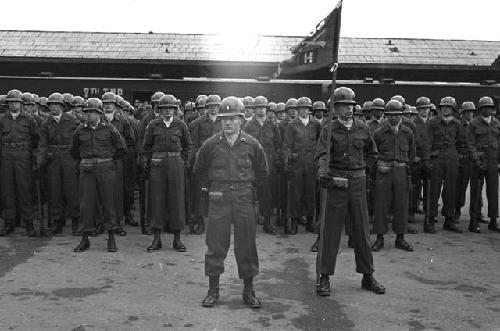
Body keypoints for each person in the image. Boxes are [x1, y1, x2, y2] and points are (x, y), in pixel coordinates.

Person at [193, 96, 268, 309]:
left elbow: (263, 172)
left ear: (241, 120)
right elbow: (198, 171)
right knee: (215, 244)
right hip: (219, 197)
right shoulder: (210, 145)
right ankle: (213, 290)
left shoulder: (252, 144)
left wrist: (249, 190)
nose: (227, 123)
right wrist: (211, 189)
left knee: (246, 245)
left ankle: (249, 291)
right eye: (225, 118)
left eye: (233, 118)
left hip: (244, 198)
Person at [315, 87, 385, 296]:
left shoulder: (363, 128)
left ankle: (368, 275)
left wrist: (361, 169)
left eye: (351, 105)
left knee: (362, 231)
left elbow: (372, 154)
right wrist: (324, 172)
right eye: (344, 105)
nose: (348, 109)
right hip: (336, 183)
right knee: (330, 232)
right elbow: (321, 155)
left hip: (357, 184)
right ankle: (324, 277)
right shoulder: (328, 129)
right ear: (335, 108)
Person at [70, 98, 127, 253]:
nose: (89, 115)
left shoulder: (110, 129)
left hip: (105, 169)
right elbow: (74, 151)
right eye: (87, 112)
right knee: (86, 204)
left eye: (93, 112)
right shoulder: (80, 130)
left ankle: (111, 238)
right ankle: (85, 239)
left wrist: (106, 160)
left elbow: (121, 149)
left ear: (100, 114)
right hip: (87, 169)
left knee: (109, 203)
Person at [143, 94, 192, 252]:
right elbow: (146, 147)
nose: (167, 111)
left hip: (175, 164)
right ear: (160, 110)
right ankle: (156, 239)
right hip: (157, 165)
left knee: (177, 200)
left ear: (175, 110)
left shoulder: (181, 125)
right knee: (157, 200)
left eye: (170, 108)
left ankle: (177, 239)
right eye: (164, 108)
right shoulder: (152, 125)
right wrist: (151, 162)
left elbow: (187, 146)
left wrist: (182, 162)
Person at [371, 100, 416, 252]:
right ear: (386, 116)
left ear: (402, 116)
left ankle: (400, 238)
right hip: (384, 172)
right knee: (381, 205)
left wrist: (403, 165)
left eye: (397, 115)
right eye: (391, 115)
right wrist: (380, 163)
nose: (394, 118)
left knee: (401, 204)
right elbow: (372, 153)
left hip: (401, 172)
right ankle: (379, 238)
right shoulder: (378, 133)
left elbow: (412, 153)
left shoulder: (408, 133)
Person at [36, 93, 81, 236]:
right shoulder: (45, 123)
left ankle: (76, 221)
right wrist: (39, 162)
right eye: (51, 105)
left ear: (62, 106)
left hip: (69, 158)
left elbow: (80, 141)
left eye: (56, 104)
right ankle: (58, 222)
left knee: (72, 191)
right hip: (53, 159)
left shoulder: (73, 121)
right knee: (55, 192)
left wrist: (79, 160)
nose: (53, 107)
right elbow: (42, 145)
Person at [0, 89, 40, 237]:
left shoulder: (29, 119)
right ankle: (9, 222)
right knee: (7, 190)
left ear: (21, 104)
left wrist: (31, 155)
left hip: (23, 155)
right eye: (11, 102)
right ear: (7, 104)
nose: (13, 104)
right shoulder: (2, 119)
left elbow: (36, 138)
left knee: (24, 189)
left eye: (16, 102)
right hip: (6, 156)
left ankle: (29, 223)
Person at [243, 95, 282, 235]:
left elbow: (278, 144)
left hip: (269, 160)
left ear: (266, 109)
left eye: (263, 108)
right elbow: (244, 144)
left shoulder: (273, 125)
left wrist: (276, 160)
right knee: (251, 192)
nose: (261, 110)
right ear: (254, 110)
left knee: (267, 192)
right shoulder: (248, 125)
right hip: (254, 161)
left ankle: (267, 222)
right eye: (258, 108)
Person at [283, 97, 321, 234]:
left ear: (310, 110)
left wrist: (319, 161)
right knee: (295, 194)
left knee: (310, 193)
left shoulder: (316, 124)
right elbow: (286, 145)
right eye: (301, 109)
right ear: (297, 110)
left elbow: (321, 143)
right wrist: (287, 162)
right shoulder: (292, 125)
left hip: (311, 162)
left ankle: (310, 221)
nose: (304, 111)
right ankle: (294, 222)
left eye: (306, 108)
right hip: (297, 162)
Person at [188, 94, 222, 234]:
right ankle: (200, 222)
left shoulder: (224, 121)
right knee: (201, 192)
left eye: (215, 106)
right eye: (210, 106)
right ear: (206, 108)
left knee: (218, 192)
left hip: (220, 162)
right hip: (204, 162)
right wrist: (193, 160)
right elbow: (194, 144)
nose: (213, 109)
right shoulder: (198, 123)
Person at [427, 97, 461, 233]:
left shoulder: (457, 124)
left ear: (453, 109)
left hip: (451, 158)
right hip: (436, 158)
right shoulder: (432, 122)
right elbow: (428, 142)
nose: (445, 109)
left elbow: (458, 141)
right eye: (443, 107)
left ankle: (449, 220)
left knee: (450, 190)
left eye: (448, 107)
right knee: (433, 190)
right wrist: (428, 159)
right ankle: (430, 220)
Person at [467, 96, 500, 233]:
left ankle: (493, 221)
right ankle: (473, 222)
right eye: (484, 107)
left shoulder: (497, 123)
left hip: (493, 160)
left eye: (489, 107)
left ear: (492, 109)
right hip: (478, 161)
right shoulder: (474, 124)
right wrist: (476, 158)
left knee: (493, 192)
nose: (487, 110)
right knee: (476, 192)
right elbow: (470, 143)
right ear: (480, 109)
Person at [454, 102, 475, 226]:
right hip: (461, 160)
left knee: (476, 188)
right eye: (467, 112)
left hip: (474, 160)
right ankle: (456, 211)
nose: (470, 114)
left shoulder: (476, 125)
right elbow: (454, 142)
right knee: (459, 187)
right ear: (463, 113)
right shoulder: (458, 126)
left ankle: (476, 214)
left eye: (471, 112)